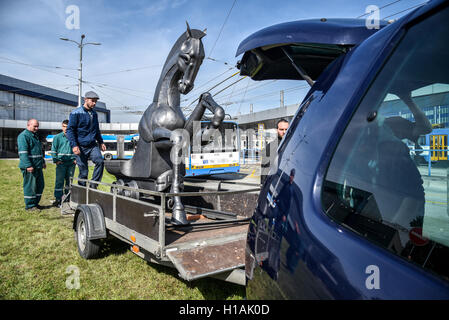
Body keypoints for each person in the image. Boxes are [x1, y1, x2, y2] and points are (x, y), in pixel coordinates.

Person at [66, 91, 106, 188]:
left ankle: (93, 185)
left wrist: (101, 142)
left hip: (92, 145)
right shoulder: (76, 113)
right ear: (86, 100)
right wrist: (74, 145)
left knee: (100, 161)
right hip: (80, 146)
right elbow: (70, 130)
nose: (94, 103)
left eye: (95, 101)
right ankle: (82, 190)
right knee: (84, 172)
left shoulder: (94, 114)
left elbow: (96, 130)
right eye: (92, 101)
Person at [17, 119, 46, 211]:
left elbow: (39, 151)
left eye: (37, 126)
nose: (37, 128)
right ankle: (30, 206)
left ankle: (35, 203)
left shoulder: (35, 136)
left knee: (40, 185)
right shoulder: (23, 136)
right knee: (30, 187)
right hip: (30, 167)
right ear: (28, 125)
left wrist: (43, 162)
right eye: (35, 126)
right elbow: (23, 153)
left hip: (38, 166)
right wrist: (28, 165)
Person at [51, 119, 76, 207]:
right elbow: (53, 150)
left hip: (71, 163)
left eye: (67, 127)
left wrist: (75, 159)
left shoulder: (74, 137)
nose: (65, 129)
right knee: (59, 181)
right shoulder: (57, 137)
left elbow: (77, 149)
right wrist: (56, 160)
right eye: (64, 127)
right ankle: (58, 199)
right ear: (62, 127)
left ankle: (68, 198)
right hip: (61, 163)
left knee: (69, 182)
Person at [260, 119, 289, 185]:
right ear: (277, 130)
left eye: (286, 129)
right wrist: (263, 185)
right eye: (281, 129)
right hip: (275, 185)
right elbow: (265, 169)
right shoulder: (269, 147)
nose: (284, 132)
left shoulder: (294, 144)